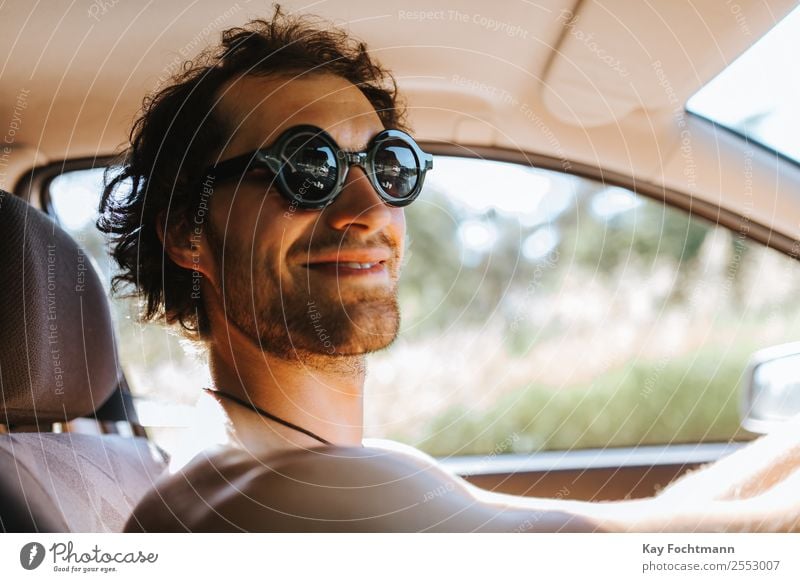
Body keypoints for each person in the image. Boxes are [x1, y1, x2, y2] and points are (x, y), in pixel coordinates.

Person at [99, 7, 800, 532]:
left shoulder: (297, 467)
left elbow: (649, 525)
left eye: (388, 164)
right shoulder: (285, 491)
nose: (368, 206)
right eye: (307, 167)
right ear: (187, 231)